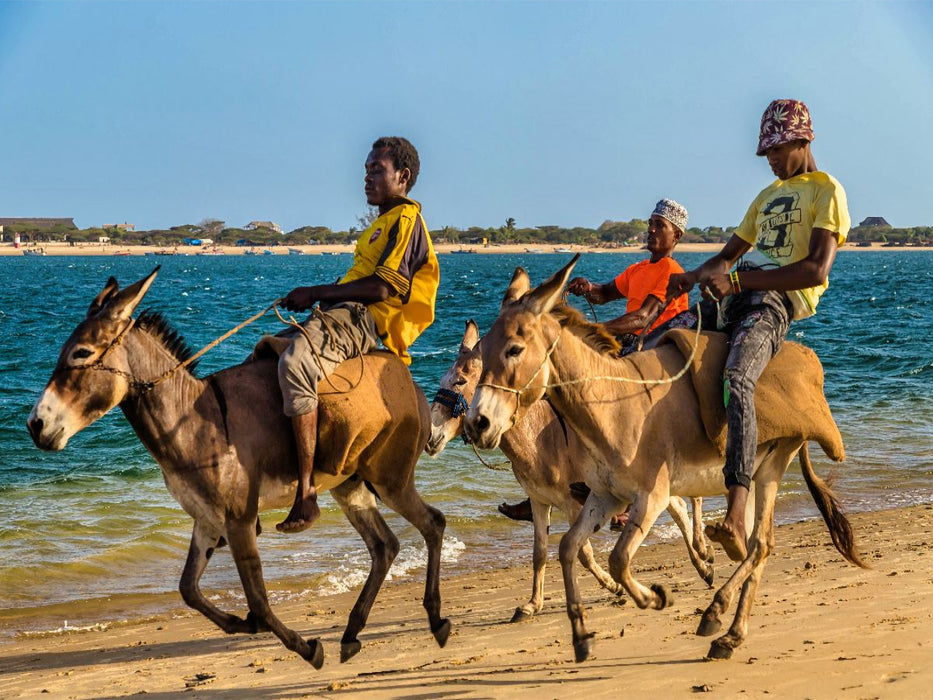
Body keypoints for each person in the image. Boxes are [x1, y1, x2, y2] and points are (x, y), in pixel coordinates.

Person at [666, 99, 850, 561]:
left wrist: (739, 281)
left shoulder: (826, 190)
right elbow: (726, 258)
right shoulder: (766, 197)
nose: (769, 158)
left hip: (772, 301)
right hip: (734, 291)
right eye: (766, 150)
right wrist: (690, 279)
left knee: (737, 378)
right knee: (656, 343)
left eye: (777, 148)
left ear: (803, 140)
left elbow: (815, 269)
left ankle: (735, 508)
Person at [276, 136, 440, 533]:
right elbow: (360, 277)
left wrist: (315, 292)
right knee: (268, 354)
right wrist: (320, 297)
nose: (367, 177)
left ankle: (306, 493)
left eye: (376, 171)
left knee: (295, 364)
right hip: (346, 311)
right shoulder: (380, 224)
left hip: (366, 319)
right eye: (365, 170)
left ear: (402, 177)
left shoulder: (406, 221)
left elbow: (384, 288)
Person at [498, 198, 691, 523]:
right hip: (631, 346)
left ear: (677, 237)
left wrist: (590, 331)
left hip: (656, 350)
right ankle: (547, 487)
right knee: (563, 393)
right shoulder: (638, 269)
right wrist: (588, 289)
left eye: (661, 226)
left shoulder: (671, 271)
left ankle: (622, 497)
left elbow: (642, 318)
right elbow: (605, 294)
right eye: (651, 223)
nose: (652, 229)